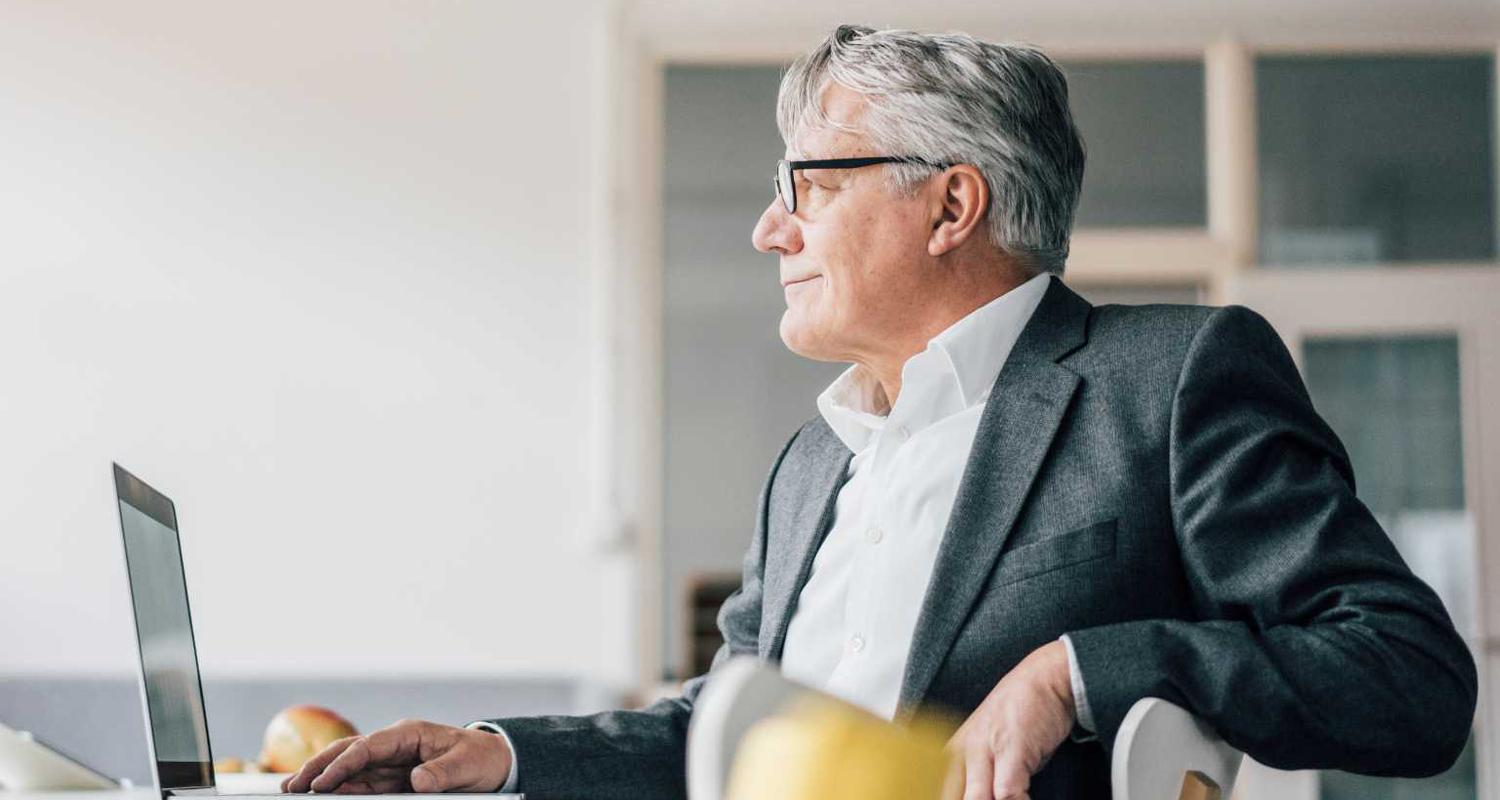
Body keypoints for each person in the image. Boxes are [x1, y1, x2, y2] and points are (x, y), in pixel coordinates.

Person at [282, 24, 1477, 800]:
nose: (770, 229)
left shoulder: (1168, 378)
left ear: (951, 203)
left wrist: (1073, 669)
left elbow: (1410, 676)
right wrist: (498, 755)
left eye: (808, 183)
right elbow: (724, 724)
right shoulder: (812, 462)